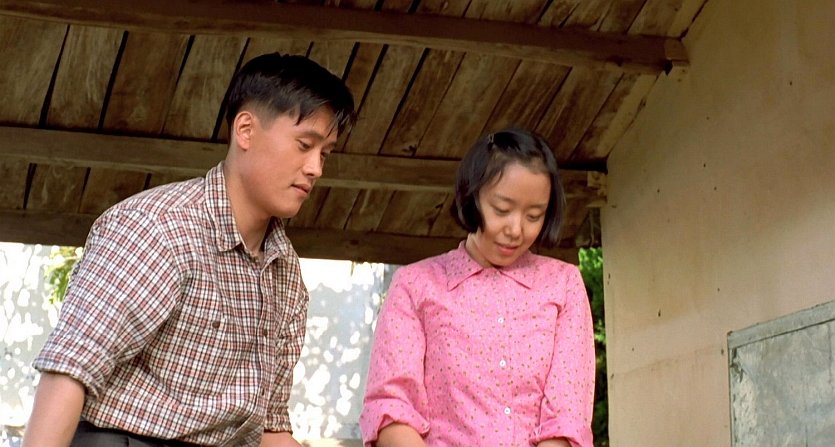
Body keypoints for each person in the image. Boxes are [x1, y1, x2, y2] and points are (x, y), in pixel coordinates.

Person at [23, 53, 355, 447]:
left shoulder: (285, 273)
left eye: (325, 154)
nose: (316, 168)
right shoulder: (158, 228)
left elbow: (270, 429)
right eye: (305, 145)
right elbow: (70, 370)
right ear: (246, 130)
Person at [359, 129, 595, 447]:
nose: (516, 229)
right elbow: (391, 408)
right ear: (472, 197)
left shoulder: (563, 284)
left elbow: (568, 415)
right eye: (501, 210)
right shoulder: (415, 285)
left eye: (534, 215)